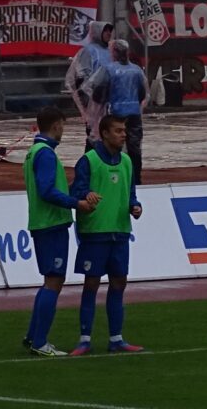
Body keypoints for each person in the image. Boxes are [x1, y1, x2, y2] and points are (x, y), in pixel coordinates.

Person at [22, 105, 100, 357]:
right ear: (56, 125)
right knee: (54, 281)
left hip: (43, 223)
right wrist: (75, 203)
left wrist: (73, 189)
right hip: (50, 224)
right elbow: (47, 191)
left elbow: (48, 188)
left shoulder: (34, 152)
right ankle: (40, 341)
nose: (63, 130)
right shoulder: (45, 153)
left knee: (49, 280)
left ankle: (34, 336)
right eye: (63, 125)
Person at [69, 115, 144, 356]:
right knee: (91, 283)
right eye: (118, 131)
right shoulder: (88, 161)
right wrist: (87, 194)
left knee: (119, 283)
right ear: (104, 134)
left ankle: (116, 338)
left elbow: (130, 192)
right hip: (95, 232)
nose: (124, 134)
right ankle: (84, 339)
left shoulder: (126, 162)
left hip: (120, 232)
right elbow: (76, 191)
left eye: (124, 130)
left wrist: (135, 206)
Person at [87, 38, 149, 179]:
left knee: (114, 146)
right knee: (134, 148)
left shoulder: (109, 69)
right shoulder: (136, 70)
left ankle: (116, 175)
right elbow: (142, 93)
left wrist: (98, 107)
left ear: (114, 52)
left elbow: (99, 90)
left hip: (116, 114)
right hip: (134, 113)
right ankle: (136, 177)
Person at [65, 21, 114, 150]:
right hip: (94, 102)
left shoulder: (110, 51)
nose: (109, 33)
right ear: (98, 32)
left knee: (106, 138)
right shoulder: (89, 51)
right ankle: (90, 165)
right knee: (94, 137)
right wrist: (89, 104)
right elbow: (81, 79)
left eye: (110, 30)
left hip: (107, 102)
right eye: (106, 30)